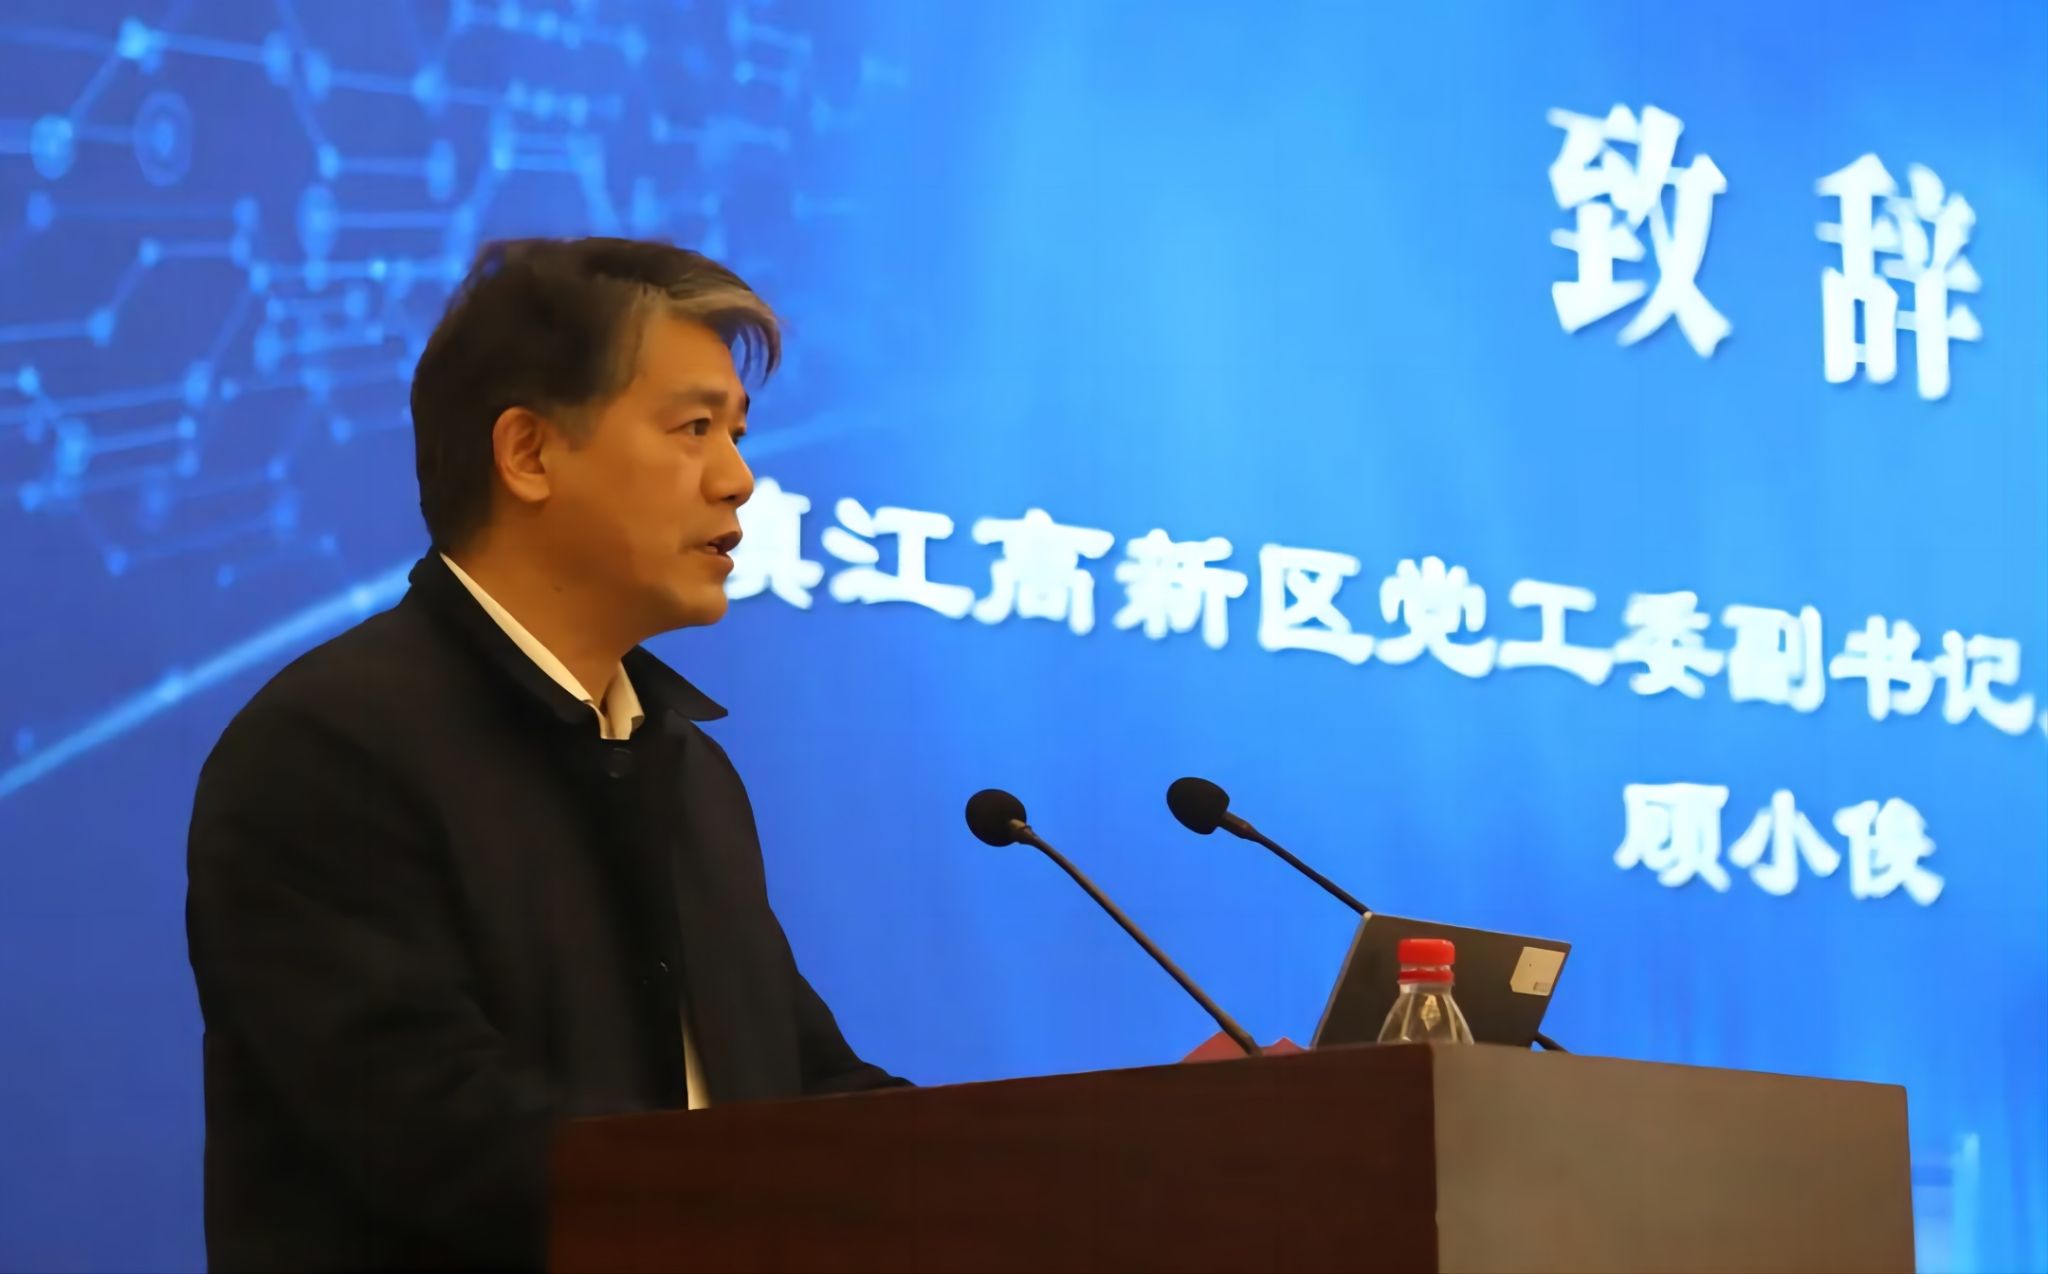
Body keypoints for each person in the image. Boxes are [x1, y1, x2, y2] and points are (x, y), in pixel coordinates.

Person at [186, 238, 905, 1273]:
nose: (739, 480)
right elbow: (442, 1137)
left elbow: (801, 1084)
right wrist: (749, 1210)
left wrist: (1021, 1175)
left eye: (737, 433)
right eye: (694, 428)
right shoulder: (330, 748)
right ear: (527, 453)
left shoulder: (682, 765)